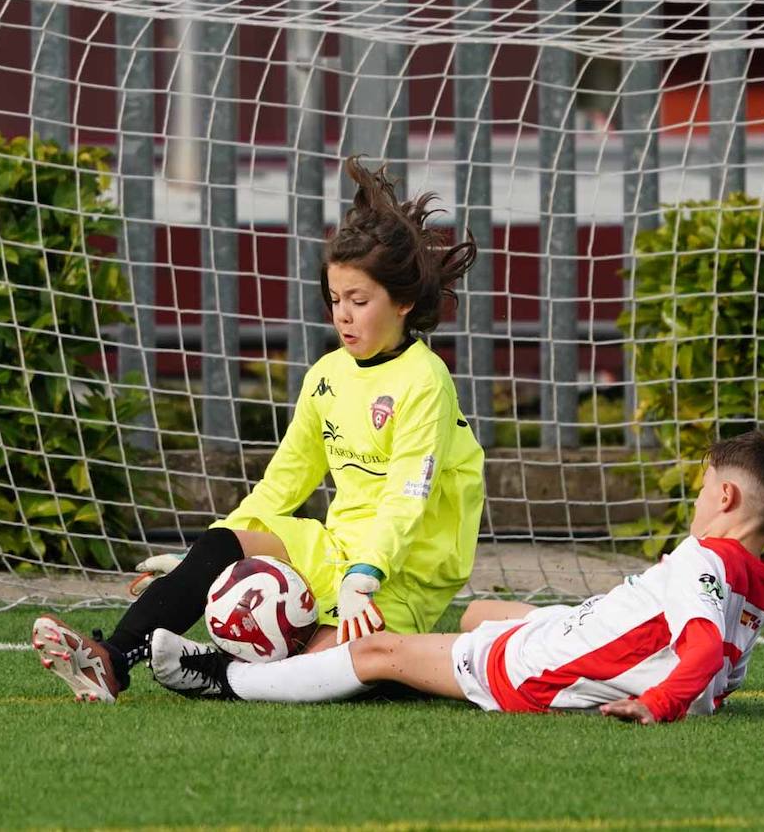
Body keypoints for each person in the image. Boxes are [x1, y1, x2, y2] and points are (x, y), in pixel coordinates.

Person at [32, 157, 484, 703]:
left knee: (345, 665)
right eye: (335, 300)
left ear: (404, 303)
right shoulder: (328, 376)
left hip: (403, 570)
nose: (343, 316)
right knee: (226, 540)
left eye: (359, 302)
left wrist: (365, 575)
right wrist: (203, 559)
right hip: (336, 548)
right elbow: (284, 483)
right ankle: (112, 660)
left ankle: (220, 673)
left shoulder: (424, 381)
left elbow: (406, 497)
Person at [148, 431, 764, 724]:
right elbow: (705, 655)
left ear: (725, 498)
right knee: (478, 611)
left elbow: (695, 652)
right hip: (579, 634)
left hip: (537, 668)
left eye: (703, 489)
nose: (697, 501)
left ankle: (225, 676)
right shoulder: (751, 582)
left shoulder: (705, 560)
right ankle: (331, 662)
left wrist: (657, 704)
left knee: (382, 652)